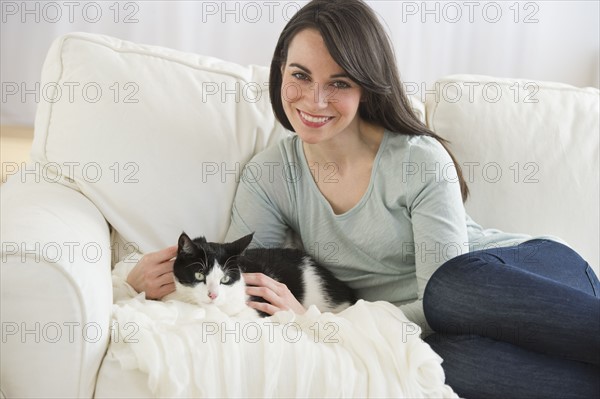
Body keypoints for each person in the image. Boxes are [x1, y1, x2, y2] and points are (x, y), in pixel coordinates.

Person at [124, 0, 599, 397]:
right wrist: (147, 280)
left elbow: (442, 300)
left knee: (448, 294)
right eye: (300, 76)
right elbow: (247, 279)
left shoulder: (416, 159)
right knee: (444, 365)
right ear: (279, 74)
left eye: (339, 83)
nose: (314, 101)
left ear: (366, 85)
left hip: (531, 275)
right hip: (448, 332)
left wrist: (343, 323)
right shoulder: (270, 175)